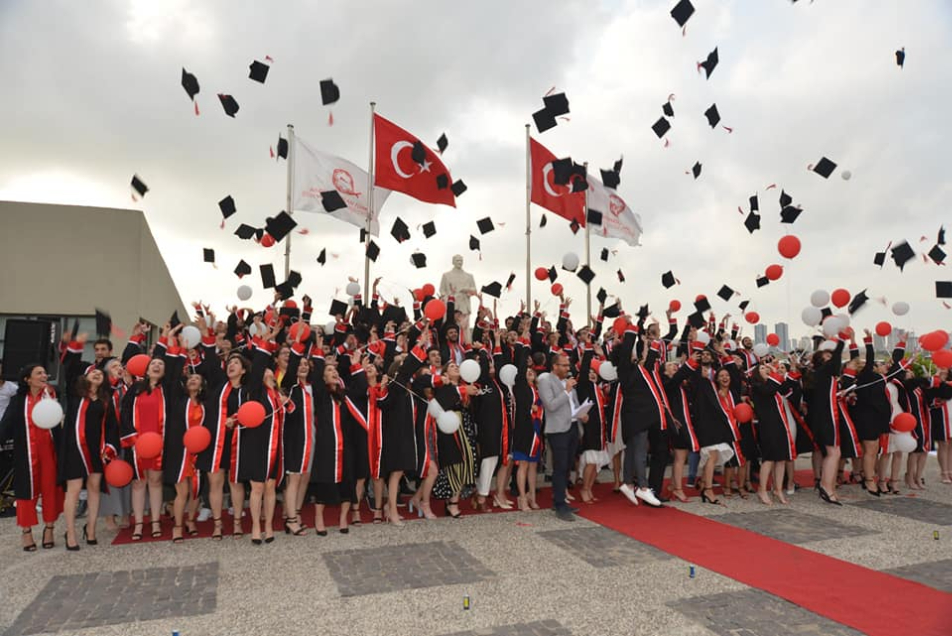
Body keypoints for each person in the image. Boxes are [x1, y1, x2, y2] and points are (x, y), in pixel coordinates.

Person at [59, 334, 120, 549]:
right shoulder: (75, 395)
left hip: (96, 448)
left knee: (94, 487)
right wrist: (76, 344)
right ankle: (71, 533)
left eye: (99, 374)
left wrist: (110, 448)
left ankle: (91, 529)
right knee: (74, 489)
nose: (96, 374)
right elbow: (69, 365)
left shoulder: (105, 400)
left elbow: (112, 427)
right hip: (75, 447)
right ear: (85, 378)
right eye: (92, 372)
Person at [0, 364, 63, 551]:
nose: (44, 376)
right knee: (26, 493)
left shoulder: (51, 396)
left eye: (44, 373)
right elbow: (6, 425)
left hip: (50, 452)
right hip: (26, 453)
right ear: (27, 379)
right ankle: (26, 533)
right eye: (39, 373)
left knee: (51, 490)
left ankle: (49, 529)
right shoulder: (18, 400)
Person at [537, 352, 579, 521]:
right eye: (564, 365)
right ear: (555, 366)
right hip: (557, 430)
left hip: (572, 426)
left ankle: (562, 499)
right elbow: (551, 405)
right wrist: (567, 390)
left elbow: (571, 404)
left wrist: (580, 413)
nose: (568, 368)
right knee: (560, 467)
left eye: (568, 365)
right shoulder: (545, 380)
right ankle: (559, 504)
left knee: (568, 465)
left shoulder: (567, 381)